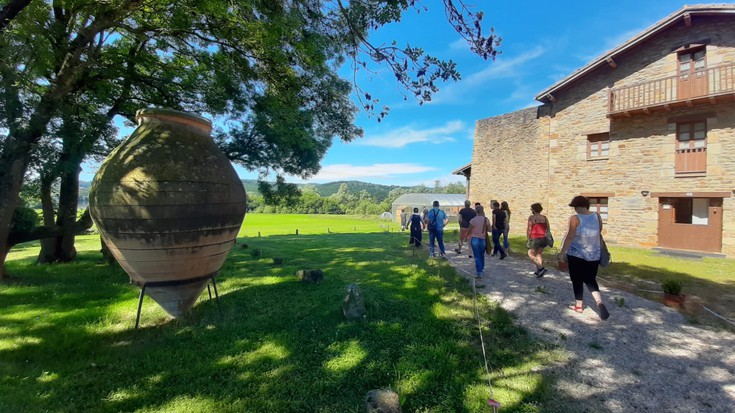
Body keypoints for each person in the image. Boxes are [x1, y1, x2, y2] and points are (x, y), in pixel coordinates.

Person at [558, 195, 610, 321]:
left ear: (577, 206)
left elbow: (570, 237)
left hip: (577, 254)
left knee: (577, 280)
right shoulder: (597, 216)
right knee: (590, 279)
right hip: (594, 254)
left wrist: (562, 252)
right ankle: (599, 302)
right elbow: (599, 231)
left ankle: (579, 305)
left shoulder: (575, 218)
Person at [527, 202, 549, 278]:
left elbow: (529, 229)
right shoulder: (544, 218)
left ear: (534, 209)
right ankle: (539, 271)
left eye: (531, 209)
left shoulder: (531, 217)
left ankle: (541, 268)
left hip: (535, 237)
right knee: (538, 254)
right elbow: (548, 228)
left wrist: (528, 238)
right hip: (543, 237)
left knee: (530, 254)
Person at [468, 205, 491, 278]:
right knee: (481, 255)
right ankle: (482, 268)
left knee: (476, 255)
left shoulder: (473, 220)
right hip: (483, 239)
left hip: (474, 239)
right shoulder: (486, 219)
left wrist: (467, 237)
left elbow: (469, 230)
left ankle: (479, 271)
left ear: (476, 211)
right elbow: (490, 230)